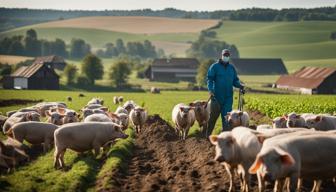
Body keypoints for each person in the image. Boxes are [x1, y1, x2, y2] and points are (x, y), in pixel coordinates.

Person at [206, 49, 244, 136]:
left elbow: (235, 81)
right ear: (221, 55)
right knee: (212, 118)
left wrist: (240, 86)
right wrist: (210, 89)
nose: (226, 57)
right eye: (224, 55)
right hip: (216, 97)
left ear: (229, 56)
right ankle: (207, 136)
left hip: (228, 98)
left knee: (227, 119)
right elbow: (210, 79)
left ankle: (225, 137)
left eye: (227, 55)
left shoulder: (231, 68)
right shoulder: (214, 67)